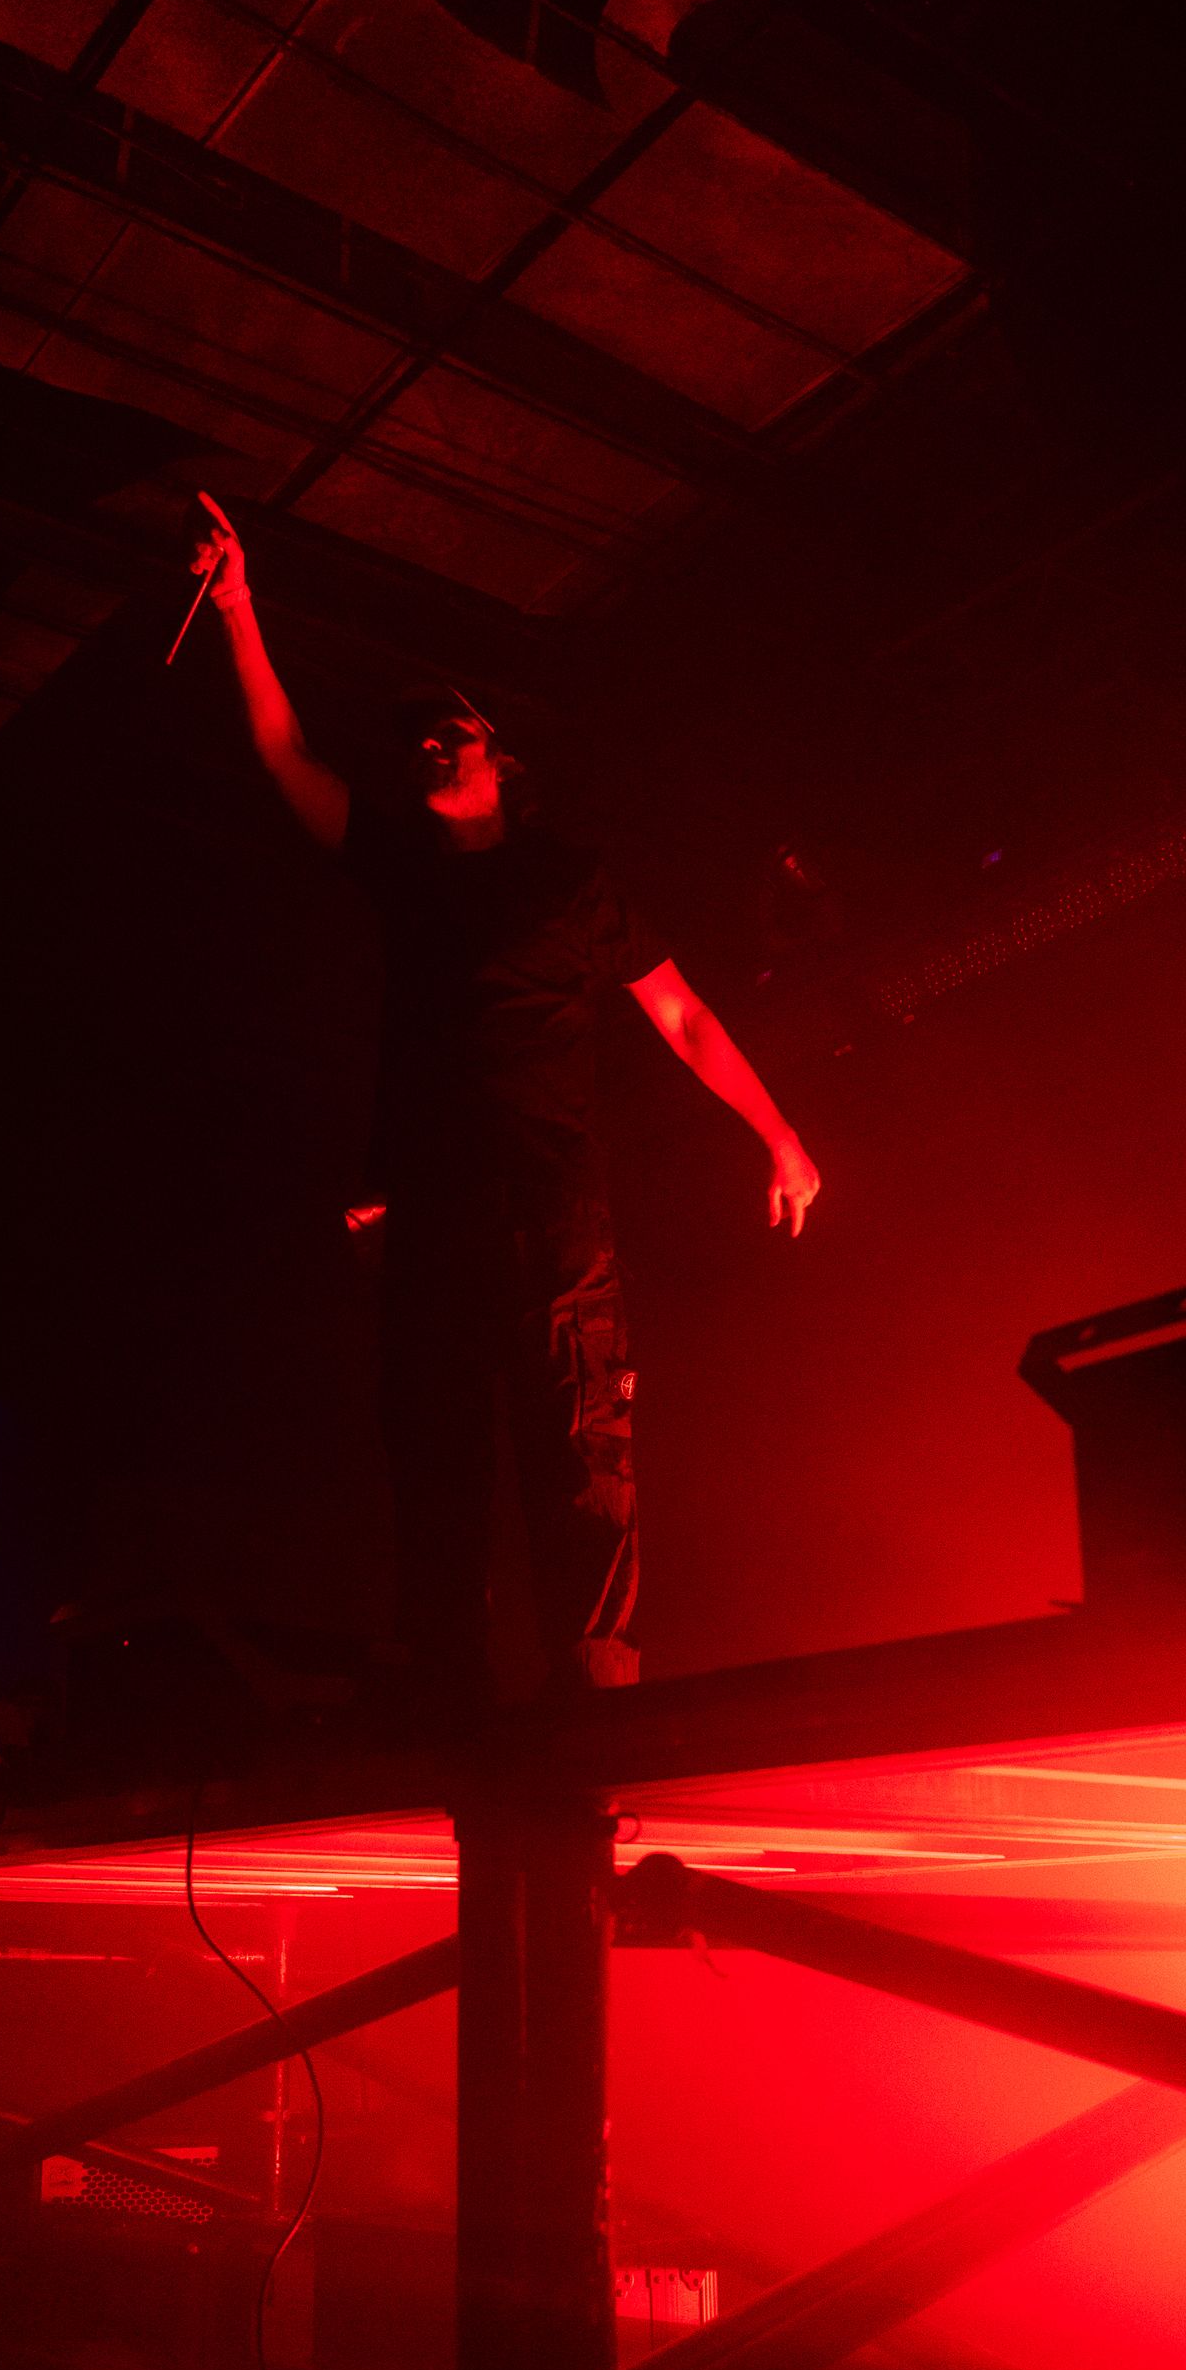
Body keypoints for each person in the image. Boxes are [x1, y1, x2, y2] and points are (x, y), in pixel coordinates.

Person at [192, 493, 820, 1705]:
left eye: (453, 733)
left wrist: (780, 1131)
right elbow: (285, 756)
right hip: (429, 1216)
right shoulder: (401, 869)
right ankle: (448, 1700)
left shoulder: (567, 881)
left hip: (551, 1215)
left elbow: (680, 1013)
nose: (429, 746)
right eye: (418, 738)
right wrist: (237, 607)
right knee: (432, 1455)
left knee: (580, 1454)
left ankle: (597, 1704)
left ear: (503, 758)